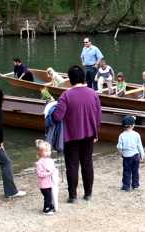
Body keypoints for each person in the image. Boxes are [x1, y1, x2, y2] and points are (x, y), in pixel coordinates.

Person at [53, 65, 102, 203]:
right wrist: (96, 134)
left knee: (72, 165)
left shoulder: (66, 95)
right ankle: (88, 194)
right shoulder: (93, 93)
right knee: (87, 163)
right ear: (83, 77)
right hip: (89, 135)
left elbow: (57, 117)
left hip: (71, 136)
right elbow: (98, 116)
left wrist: (52, 106)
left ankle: (73, 196)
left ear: (70, 79)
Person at [117, 116, 145, 191]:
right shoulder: (136, 134)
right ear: (132, 125)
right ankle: (135, 186)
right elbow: (140, 146)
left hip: (127, 157)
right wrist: (142, 156)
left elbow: (119, 147)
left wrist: (121, 154)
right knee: (135, 171)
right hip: (136, 156)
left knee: (127, 171)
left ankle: (126, 187)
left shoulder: (121, 135)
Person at [35, 139, 58, 215]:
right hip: (44, 184)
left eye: (49, 151)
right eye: (46, 151)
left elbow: (53, 168)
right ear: (40, 152)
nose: (48, 152)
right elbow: (39, 174)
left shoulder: (50, 160)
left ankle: (51, 206)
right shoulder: (39, 163)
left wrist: (54, 170)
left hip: (50, 182)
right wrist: (48, 173)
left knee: (50, 195)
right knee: (47, 196)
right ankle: (46, 209)